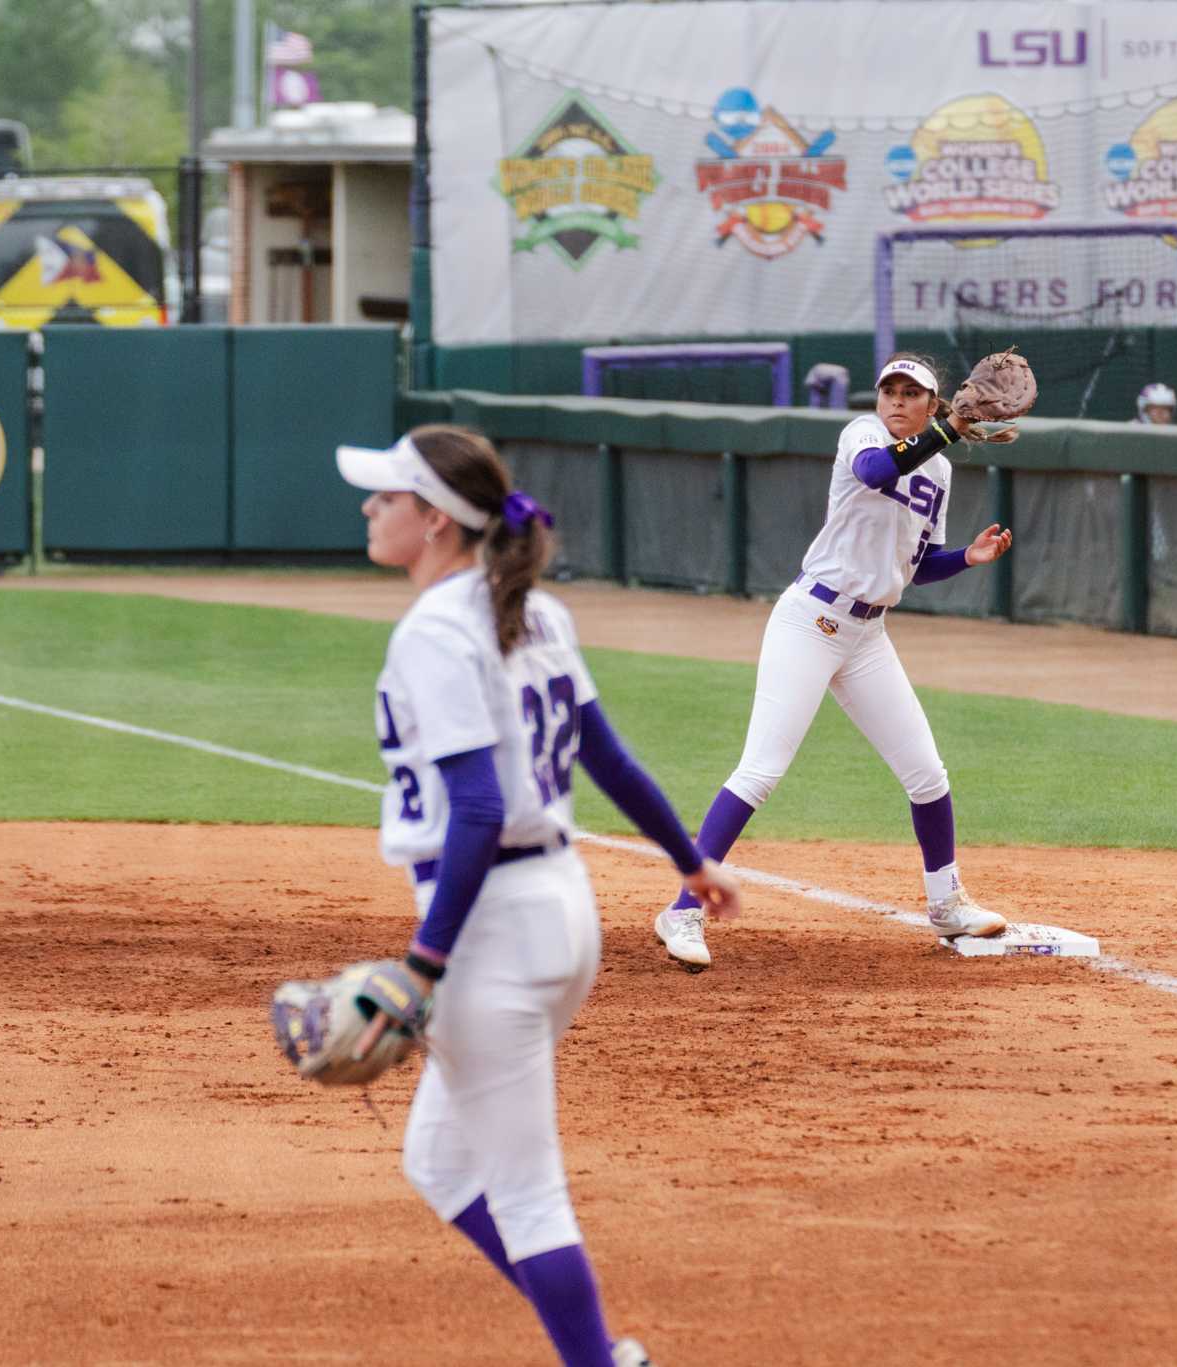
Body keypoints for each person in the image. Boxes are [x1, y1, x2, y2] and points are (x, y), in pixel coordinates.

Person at [336, 424, 742, 1367]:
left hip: (491, 932)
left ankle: (596, 1363)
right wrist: (689, 859)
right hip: (560, 909)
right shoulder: (536, 610)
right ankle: (599, 1346)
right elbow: (607, 756)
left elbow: (475, 808)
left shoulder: (436, 629)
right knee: (439, 1164)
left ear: (434, 520)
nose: (370, 507)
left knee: (526, 1192)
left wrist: (423, 965)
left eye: (387, 495)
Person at [653, 353, 1018, 970]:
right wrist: (947, 430)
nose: (897, 400)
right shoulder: (865, 436)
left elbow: (913, 564)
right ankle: (683, 909)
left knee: (927, 774)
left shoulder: (939, 472)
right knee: (761, 770)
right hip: (810, 623)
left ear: (932, 402)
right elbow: (877, 473)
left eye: (913, 393)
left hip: (868, 636)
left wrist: (967, 559)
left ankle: (947, 904)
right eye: (890, 390)